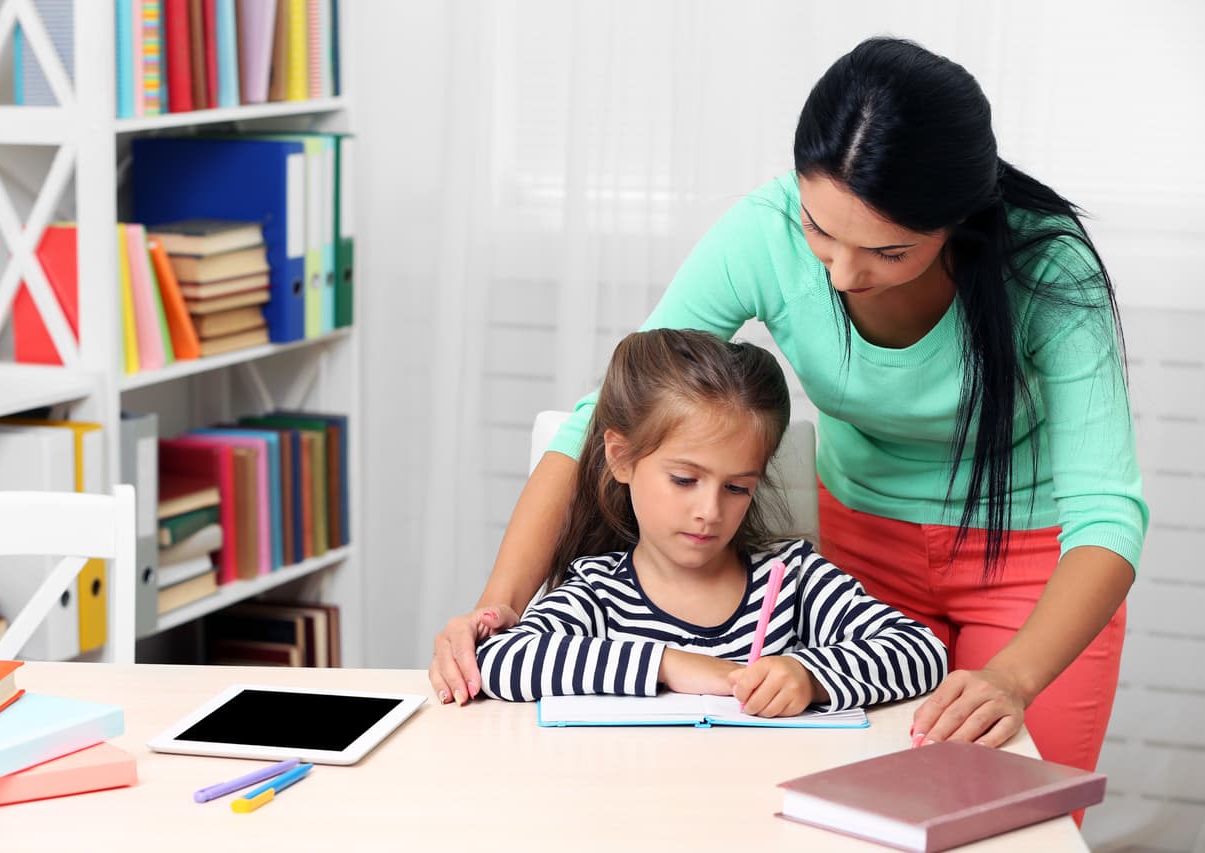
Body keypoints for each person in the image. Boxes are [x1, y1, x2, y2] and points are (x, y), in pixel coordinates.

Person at [431, 36, 1146, 780]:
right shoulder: (762, 233)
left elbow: (1108, 514)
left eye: (888, 253)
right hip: (866, 552)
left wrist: (1014, 677)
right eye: (820, 230)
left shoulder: (1049, 268)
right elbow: (607, 412)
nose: (841, 273)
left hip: (1031, 558)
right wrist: (496, 610)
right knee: (871, 809)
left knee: (1014, 812)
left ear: (957, 221)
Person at [475, 328, 947, 711]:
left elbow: (923, 653)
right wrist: (670, 666)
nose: (710, 512)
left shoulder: (793, 579)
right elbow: (501, 659)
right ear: (621, 459)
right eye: (684, 480)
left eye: (737, 487)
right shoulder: (599, 590)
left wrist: (810, 677)